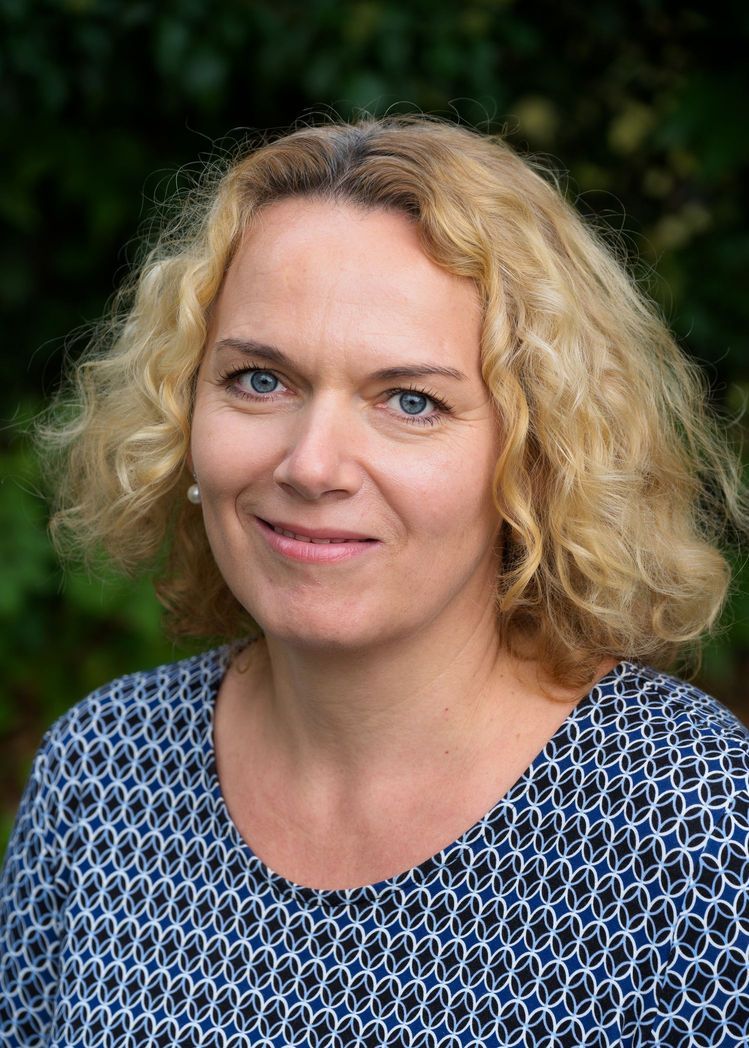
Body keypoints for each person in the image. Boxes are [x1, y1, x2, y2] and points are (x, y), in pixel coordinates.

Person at [2, 115, 748, 1047]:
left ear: (535, 457)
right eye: (259, 380)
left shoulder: (691, 829)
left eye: (410, 401)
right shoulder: (101, 772)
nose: (312, 465)